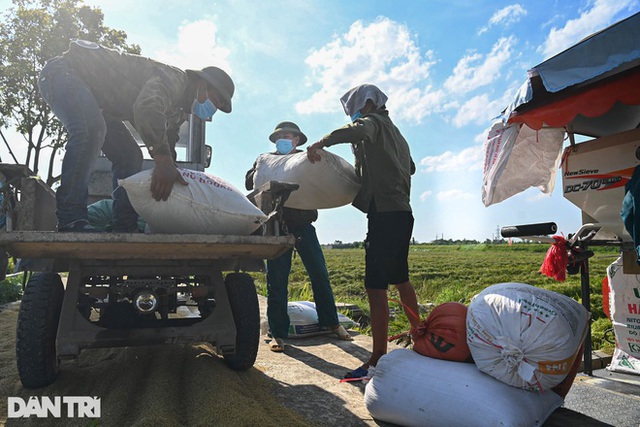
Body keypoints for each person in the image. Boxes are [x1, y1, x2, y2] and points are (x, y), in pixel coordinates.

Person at [38, 39, 234, 232]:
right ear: (201, 85)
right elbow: (147, 108)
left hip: (97, 101)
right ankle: (71, 218)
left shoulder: (178, 112)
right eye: (215, 101)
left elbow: (168, 143)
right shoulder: (175, 80)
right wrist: (163, 161)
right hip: (65, 73)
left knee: (129, 156)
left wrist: (172, 174)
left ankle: (125, 224)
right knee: (91, 130)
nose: (212, 109)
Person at [306, 84, 420, 379]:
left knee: (375, 284)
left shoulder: (373, 123)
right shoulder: (398, 134)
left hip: (384, 213)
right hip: (403, 213)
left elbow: (358, 130)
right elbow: (411, 167)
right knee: (401, 278)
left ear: (367, 104)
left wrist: (321, 142)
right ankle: (420, 337)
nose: (354, 115)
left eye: (355, 110)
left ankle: (378, 356)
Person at [246, 121, 353, 352]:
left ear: (297, 140)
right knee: (277, 280)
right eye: (281, 136)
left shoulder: (306, 160)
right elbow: (250, 182)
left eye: (289, 136)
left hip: (303, 225)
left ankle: (331, 323)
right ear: (275, 141)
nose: (284, 139)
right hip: (277, 225)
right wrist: (256, 169)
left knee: (319, 274)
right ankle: (278, 333)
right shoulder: (266, 160)